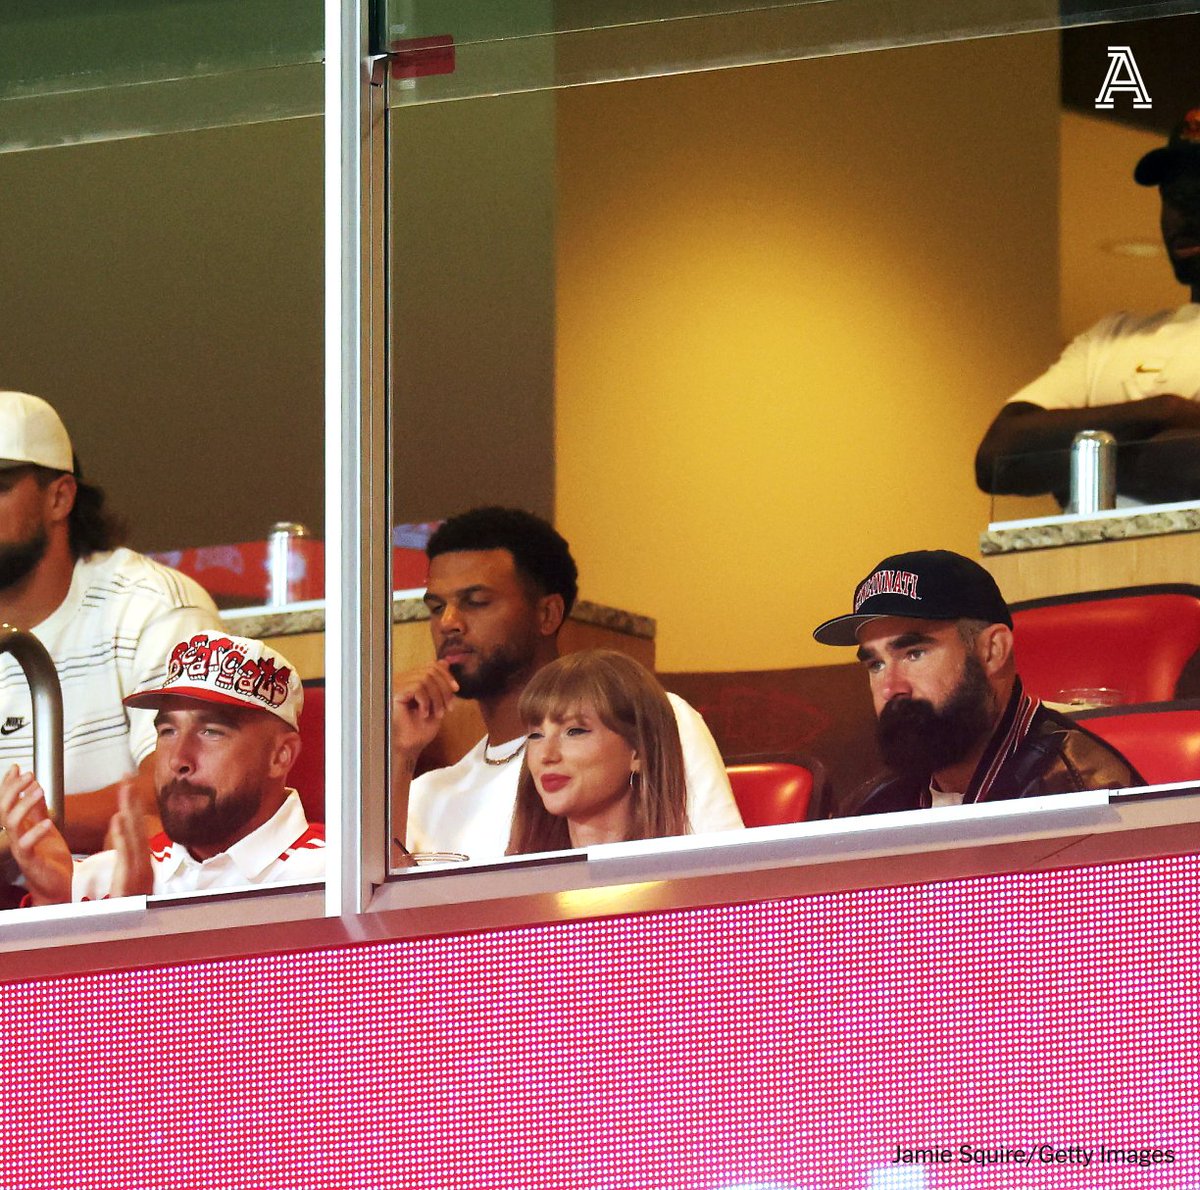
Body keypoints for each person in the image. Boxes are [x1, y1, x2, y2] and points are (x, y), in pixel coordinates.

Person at [392, 507, 742, 861]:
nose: (449, 622)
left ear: (547, 614)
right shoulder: (426, 793)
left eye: (477, 602)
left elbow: (728, 879)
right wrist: (399, 755)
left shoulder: (652, 719)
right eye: (436, 607)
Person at [0, 390, 221, 852]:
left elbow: (173, 797)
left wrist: (17, 827)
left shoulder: (154, 606)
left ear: (60, 498)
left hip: (112, 908)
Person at [976, 108, 1200, 505]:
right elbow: (999, 456)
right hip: (1095, 569)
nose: (1183, 211)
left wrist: (1080, 465)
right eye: (1172, 193)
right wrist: (1165, 412)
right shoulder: (1110, 337)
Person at [0, 632, 323, 902]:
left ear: (280, 755)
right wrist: (53, 899)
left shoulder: (337, 877)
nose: (177, 759)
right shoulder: (92, 880)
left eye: (211, 732)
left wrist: (130, 927)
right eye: (167, 731)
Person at [812, 550, 1143, 814]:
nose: (891, 687)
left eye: (914, 654)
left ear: (992, 651)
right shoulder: (874, 806)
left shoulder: (1080, 795)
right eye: (876, 663)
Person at [507, 649, 689, 855]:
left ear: (639, 752)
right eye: (536, 735)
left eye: (574, 731)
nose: (546, 755)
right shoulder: (516, 884)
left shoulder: (690, 880)